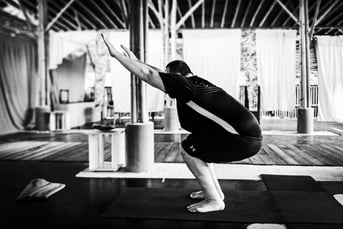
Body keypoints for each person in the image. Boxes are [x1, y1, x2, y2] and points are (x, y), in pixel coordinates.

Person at [101, 34, 262, 213]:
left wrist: (117, 55)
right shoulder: (197, 82)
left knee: (188, 149)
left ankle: (215, 200)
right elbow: (158, 73)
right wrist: (137, 61)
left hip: (242, 140)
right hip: (245, 137)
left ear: (176, 76)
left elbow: (149, 75)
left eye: (170, 78)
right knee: (198, 145)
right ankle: (215, 193)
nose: (167, 82)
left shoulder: (186, 87)